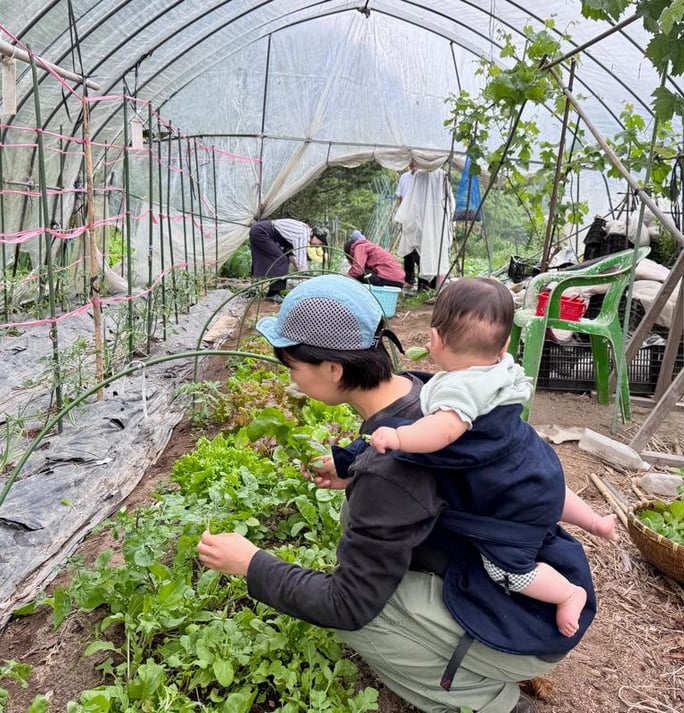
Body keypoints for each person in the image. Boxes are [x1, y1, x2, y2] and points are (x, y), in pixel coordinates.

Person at [197, 274, 597, 713]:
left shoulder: (391, 468)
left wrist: (252, 564)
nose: (290, 378)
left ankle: (491, 701)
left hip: (526, 619)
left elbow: (347, 605)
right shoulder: (427, 393)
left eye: (292, 366)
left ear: (334, 370)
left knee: (358, 621)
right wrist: (350, 464)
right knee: (363, 540)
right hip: (538, 581)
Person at [367, 277, 616, 637]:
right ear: (502, 348)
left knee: (509, 570)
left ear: (435, 340)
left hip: (511, 495)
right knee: (552, 495)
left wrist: (399, 436)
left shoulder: (459, 390)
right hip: (536, 465)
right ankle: (594, 521)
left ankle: (567, 593)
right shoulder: (502, 368)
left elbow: (443, 432)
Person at [248, 218, 314, 303]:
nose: (319, 244)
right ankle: (272, 294)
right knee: (281, 260)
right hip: (261, 232)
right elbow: (301, 259)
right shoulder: (304, 235)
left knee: (282, 258)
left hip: (260, 231)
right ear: (315, 236)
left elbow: (289, 253)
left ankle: (269, 291)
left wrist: (297, 267)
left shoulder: (299, 233)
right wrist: (304, 275)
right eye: (320, 242)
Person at [394, 159, 420, 289]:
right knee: (406, 249)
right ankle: (409, 279)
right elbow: (400, 198)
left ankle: (425, 281)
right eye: (410, 162)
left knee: (419, 249)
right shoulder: (404, 177)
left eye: (415, 162)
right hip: (407, 217)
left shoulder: (424, 176)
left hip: (420, 218)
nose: (412, 164)